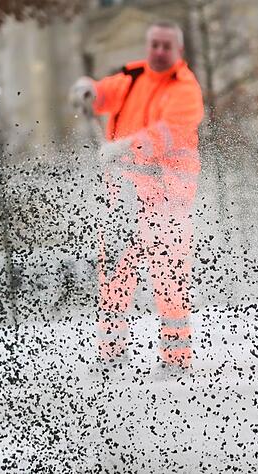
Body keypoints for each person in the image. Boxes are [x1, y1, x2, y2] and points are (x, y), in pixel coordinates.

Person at [69, 20, 204, 369]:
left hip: (167, 201)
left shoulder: (185, 90)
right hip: (124, 198)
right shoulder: (133, 78)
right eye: (154, 45)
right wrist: (88, 91)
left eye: (166, 46)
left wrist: (127, 145)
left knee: (170, 280)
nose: (159, 51)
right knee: (113, 277)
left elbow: (167, 134)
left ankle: (176, 359)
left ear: (179, 51)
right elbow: (104, 93)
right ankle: (110, 355)